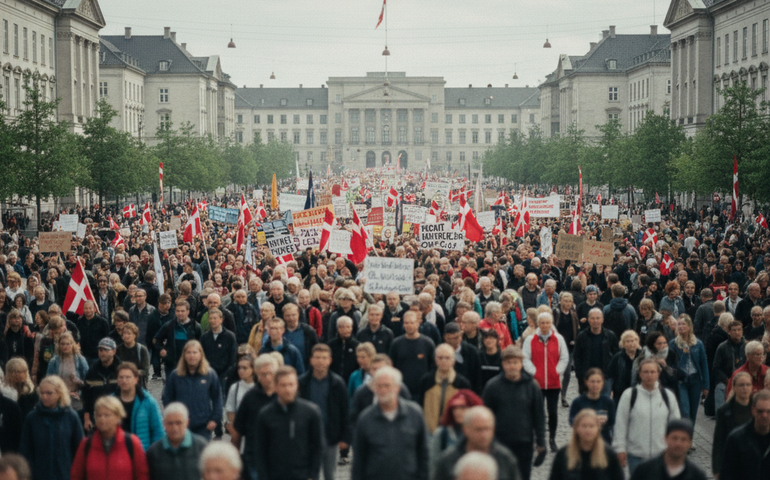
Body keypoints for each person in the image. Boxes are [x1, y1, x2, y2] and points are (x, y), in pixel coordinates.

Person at [352, 366, 429, 480]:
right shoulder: (365, 419)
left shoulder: (414, 415)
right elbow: (359, 460)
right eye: (379, 386)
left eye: (387, 385)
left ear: (398, 388)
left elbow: (423, 454)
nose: (383, 390)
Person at [482, 346, 546, 480]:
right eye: (508, 363)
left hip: (524, 442)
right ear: (503, 364)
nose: (512, 366)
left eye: (515, 362)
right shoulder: (492, 386)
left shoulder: (532, 386)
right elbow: (486, 415)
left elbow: (539, 415)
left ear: (521, 364)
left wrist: (541, 441)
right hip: (499, 443)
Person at [614, 358, 681, 474]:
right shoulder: (629, 395)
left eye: (652, 372)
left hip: (661, 456)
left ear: (658, 373)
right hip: (636, 456)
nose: (649, 375)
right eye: (645, 372)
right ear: (640, 373)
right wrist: (620, 448)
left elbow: (676, 426)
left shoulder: (668, 396)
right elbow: (621, 423)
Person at [255, 366, 324, 480]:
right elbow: (260, 451)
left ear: (297, 385)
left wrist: (312, 475)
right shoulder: (265, 415)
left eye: (291, 385)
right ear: (276, 387)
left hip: (302, 475)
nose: (288, 389)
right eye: (283, 385)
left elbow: (317, 447)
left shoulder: (310, 412)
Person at [299, 344, 351, 479]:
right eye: (317, 358)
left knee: (329, 474)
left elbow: (345, 411)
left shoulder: (337, 383)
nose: (320, 361)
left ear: (329, 360)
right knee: (310, 474)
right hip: (307, 436)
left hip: (330, 436)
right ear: (311, 360)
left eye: (324, 358)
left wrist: (345, 437)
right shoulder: (303, 383)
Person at [19, 376, 84, 480]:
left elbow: (80, 449)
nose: (44, 396)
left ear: (59, 393)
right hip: (38, 476)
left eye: (49, 393)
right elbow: (25, 450)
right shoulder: (32, 418)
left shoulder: (71, 417)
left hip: (65, 475)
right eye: (42, 393)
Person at [432, 406, 521, 480]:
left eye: (487, 429)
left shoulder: (505, 459)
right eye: (478, 430)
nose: (484, 435)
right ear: (465, 430)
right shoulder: (448, 461)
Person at [70, 396, 149, 480]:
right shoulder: (86, 445)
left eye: (107, 415)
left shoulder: (131, 443)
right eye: (99, 415)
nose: (102, 419)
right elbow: (76, 475)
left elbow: (142, 475)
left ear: (118, 417)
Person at [522, 310, 569, 452]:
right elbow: (525, 358)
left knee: (553, 412)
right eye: (542, 323)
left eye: (547, 323)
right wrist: (534, 372)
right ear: (538, 324)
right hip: (536, 383)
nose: (544, 325)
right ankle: (538, 439)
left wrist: (557, 371)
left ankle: (552, 439)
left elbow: (564, 357)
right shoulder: (531, 340)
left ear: (551, 323)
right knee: (537, 412)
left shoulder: (558, 339)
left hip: (553, 383)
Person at [161, 340, 222, 440]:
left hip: (203, 427)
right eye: (188, 352)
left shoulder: (210, 374)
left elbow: (217, 398)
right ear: (184, 355)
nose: (192, 356)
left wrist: (215, 419)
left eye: (195, 352)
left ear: (200, 354)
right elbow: (167, 398)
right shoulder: (175, 375)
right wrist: (172, 418)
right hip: (181, 426)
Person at [232, 354, 279, 480]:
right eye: (263, 374)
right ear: (257, 374)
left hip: (279, 457)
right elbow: (238, 430)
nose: (267, 377)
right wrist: (235, 455)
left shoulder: (283, 396)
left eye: (270, 373)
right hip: (255, 456)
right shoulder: (250, 397)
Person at [549, 409, 624, 480]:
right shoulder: (563, 455)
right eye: (584, 426)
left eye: (591, 426)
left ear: (598, 429)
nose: (587, 430)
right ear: (576, 428)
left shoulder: (609, 455)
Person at [428, 390, 484, 477]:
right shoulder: (442, 434)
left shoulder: (481, 433)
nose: (458, 411)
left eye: (463, 407)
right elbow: (433, 464)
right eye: (455, 408)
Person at [145, 403, 208, 480]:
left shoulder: (201, 447)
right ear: (164, 424)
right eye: (170, 423)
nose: (174, 428)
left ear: (187, 422)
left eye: (178, 423)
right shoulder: (154, 452)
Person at [630, 419, 707, 480]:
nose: (678, 444)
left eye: (683, 440)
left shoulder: (697, 476)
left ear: (690, 443)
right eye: (674, 438)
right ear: (665, 438)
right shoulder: (645, 471)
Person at [720, 389, 770, 480]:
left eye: (768, 411)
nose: (764, 415)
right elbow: (727, 474)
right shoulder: (736, 439)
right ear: (753, 410)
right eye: (760, 411)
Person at [113, 362, 164, 450]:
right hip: (118, 453)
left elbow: (158, 431)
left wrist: (154, 453)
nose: (124, 380)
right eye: (121, 377)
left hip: (142, 452)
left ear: (136, 379)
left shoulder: (148, 401)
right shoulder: (111, 403)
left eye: (128, 377)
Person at [669, 314, 709, 422]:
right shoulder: (673, 344)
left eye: (683, 324)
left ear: (689, 326)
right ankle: (685, 430)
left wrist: (706, 385)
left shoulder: (698, 344)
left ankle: (689, 433)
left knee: (693, 413)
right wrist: (684, 354)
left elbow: (703, 364)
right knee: (685, 412)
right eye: (679, 324)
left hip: (695, 380)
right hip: (681, 381)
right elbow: (672, 365)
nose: (681, 326)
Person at [712, 372, 753, 478]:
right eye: (741, 385)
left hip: (752, 461)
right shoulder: (724, 411)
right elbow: (719, 440)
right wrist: (717, 468)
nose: (745, 388)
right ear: (734, 387)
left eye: (748, 385)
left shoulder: (757, 409)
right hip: (731, 460)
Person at [390, 310, 437, 395]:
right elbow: (392, 366)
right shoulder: (396, 344)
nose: (409, 325)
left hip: (422, 390)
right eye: (406, 323)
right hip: (401, 389)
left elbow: (433, 367)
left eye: (412, 323)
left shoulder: (428, 344)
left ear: (418, 323)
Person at [572, 308, 618, 394]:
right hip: (587, 377)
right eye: (592, 318)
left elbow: (615, 356)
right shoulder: (582, 337)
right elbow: (577, 356)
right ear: (588, 320)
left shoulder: (610, 336)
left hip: (605, 377)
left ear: (602, 319)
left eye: (598, 318)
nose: (595, 321)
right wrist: (580, 375)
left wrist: (612, 373)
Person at [83, 337, 121, 433]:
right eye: (100, 350)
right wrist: (87, 419)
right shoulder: (92, 371)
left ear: (114, 351)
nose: (102, 353)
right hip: (97, 416)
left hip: (118, 415)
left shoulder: (121, 370)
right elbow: (86, 396)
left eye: (106, 350)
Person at [154, 300, 202, 376]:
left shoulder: (195, 327)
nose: (180, 313)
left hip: (190, 364)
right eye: (178, 311)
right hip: (172, 364)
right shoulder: (169, 325)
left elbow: (201, 344)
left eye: (182, 311)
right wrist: (161, 349)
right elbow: (156, 339)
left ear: (188, 312)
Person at [568, 369, 616, 443]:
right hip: (583, 441)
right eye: (592, 381)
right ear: (586, 382)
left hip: (604, 441)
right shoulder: (578, 402)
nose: (595, 385)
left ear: (603, 383)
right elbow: (572, 421)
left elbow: (613, 422)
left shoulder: (609, 402)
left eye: (598, 382)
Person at [46, 332, 89, 411]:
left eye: (67, 344)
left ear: (72, 344)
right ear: (59, 345)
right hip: (59, 399)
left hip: (76, 399)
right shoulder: (53, 361)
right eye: (62, 344)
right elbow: (48, 382)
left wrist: (78, 381)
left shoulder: (80, 360)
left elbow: (88, 382)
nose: (65, 346)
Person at [712, 320, 746, 410]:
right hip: (725, 380)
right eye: (734, 330)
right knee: (720, 389)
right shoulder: (722, 347)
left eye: (739, 330)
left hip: (743, 380)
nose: (737, 332)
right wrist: (727, 380)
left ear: (742, 331)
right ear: (729, 332)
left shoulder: (747, 347)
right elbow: (716, 368)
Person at [443, 322, 482, 393]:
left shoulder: (472, 352)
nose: (452, 341)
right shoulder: (440, 352)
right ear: (445, 338)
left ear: (461, 336)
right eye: (449, 339)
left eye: (455, 338)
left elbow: (477, 377)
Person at [224, 355, 255, 440]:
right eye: (239, 368)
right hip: (239, 430)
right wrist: (235, 427)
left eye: (245, 368)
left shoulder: (258, 388)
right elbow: (230, 408)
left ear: (253, 369)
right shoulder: (235, 387)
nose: (241, 371)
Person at [605, 330, 641, 401]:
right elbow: (609, 375)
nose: (631, 344)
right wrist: (609, 391)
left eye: (633, 341)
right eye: (628, 341)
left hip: (639, 392)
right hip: (620, 393)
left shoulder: (642, 357)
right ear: (623, 344)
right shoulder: (618, 357)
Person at [116, 322, 151, 388]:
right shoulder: (118, 350)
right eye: (124, 333)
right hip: (122, 385)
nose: (126, 336)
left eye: (129, 334)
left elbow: (145, 370)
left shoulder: (142, 350)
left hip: (138, 385)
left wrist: (131, 373)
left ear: (135, 335)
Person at [327, 315, 359, 383]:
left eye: (348, 327)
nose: (345, 330)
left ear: (351, 328)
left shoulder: (357, 345)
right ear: (338, 328)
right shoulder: (330, 345)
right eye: (342, 327)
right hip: (333, 381)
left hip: (351, 380)